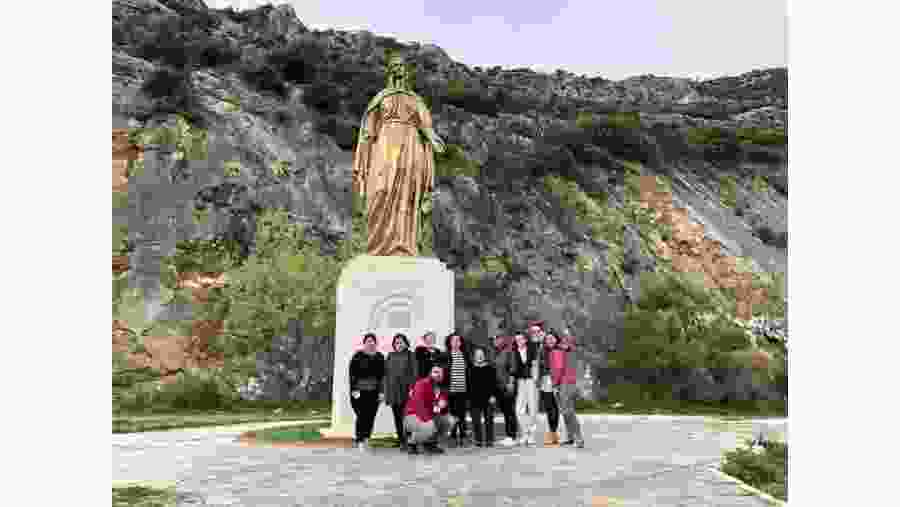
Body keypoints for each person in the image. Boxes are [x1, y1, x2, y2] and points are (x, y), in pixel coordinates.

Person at [352, 53, 446, 256]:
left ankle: (404, 246)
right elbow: (369, 129)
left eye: (401, 65)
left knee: (408, 193)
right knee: (381, 189)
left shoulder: (415, 100)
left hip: (411, 146)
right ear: (389, 71)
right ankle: (377, 246)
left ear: (406, 70)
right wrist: (365, 149)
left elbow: (425, 125)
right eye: (394, 65)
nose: (398, 68)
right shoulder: (381, 98)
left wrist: (433, 138)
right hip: (385, 144)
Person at [404, 365, 456, 455]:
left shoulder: (441, 389)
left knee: (450, 421)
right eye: (435, 372)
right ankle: (411, 443)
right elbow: (418, 404)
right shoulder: (422, 383)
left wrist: (443, 405)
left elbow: (440, 409)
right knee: (430, 426)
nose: (438, 375)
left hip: (430, 416)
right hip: (412, 416)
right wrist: (428, 420)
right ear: (430, 373)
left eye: (440, 373)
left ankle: (430, 443)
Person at [348, 333, 386, 450]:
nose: (370, 343)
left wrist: (381, 392)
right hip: (360, 391)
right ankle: (359, 439)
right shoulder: (357, 356)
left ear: (376, 343)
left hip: (374, 392)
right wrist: (354, 389)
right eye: (368, 341)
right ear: (364, 343)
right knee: (361, 415)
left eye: (372, 341)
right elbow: (352, 373)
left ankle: (366, 439)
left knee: (371, 416)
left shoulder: (380, 356)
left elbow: (383, 376)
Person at [383, 333, 417, 449]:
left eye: (401, 342)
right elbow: (386, 374)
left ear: (406, 343)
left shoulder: (410, 355)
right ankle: (401, 439)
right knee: (397, 416)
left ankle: (409, 440)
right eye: (396, 342)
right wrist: (385, 390)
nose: (399, 344)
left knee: (406, 417)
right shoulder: (390, 355)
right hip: (394, 391)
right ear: (394, 344)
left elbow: (414, 373)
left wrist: (412, 388)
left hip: (406, 391)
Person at [553, 329, 585, 448]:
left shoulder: (574, 350)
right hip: (561, 383)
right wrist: (556, 384)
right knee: (565, 411)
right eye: (565, 336)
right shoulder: (557, 350)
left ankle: (578, 438)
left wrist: (579, 382)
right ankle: (571, 437)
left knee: (568, 411)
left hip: (569, 383)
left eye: (569, 336)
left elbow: (579, 366)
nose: (567, 338)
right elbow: (557, 369)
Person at [511, 331, 540, 446]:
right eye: (517, 340)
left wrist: (536, 378)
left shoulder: (531, 349)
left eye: (521, 339)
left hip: (531, 380)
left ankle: (531, 435)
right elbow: (513, 368)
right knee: (519, 409)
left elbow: (535, 364)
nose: (519, 342)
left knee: (533, 407)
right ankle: (525, 432)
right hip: (521, 381)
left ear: (525, 340)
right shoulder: (514, 352)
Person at [468, 346, 501, 447]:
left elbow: (494, 384)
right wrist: (469, 398)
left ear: (484, 356)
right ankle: (478, 440)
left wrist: (493, 396)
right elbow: (468, 385)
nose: (480, 356)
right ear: (474, 357)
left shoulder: (490, 368)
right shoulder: (470, 369)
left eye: (481, 355)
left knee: (489, 419)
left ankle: (489, 440)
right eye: (477, 355)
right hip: (474, 398)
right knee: (476, 420)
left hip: (488, 398)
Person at [444, 331, 471, 447]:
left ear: (461, 343)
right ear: (449, 343)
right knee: (453, 414)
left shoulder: (465, 355)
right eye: (453, 340)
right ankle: (453, 436)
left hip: (463, 390)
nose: (456, 342)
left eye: (458, 340)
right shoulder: (446, 355)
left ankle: (463, 436)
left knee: (462, 414)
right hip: (451, 390)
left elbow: (469, 372)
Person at [492, 335, 518, 446]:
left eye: (499, 339)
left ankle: (512, 436)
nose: (497, 341)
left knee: (510, 411)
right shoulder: (495, 353)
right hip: (498, 387)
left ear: (503, 340)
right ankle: (508, 435)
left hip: (507, 385)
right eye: (495, 340)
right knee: (505, 411)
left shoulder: (509, 352)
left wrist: (511, 383)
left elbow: (513, 368)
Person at [539, 331, 561, 446]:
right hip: (545, 381)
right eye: (547, 339)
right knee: (549, 408)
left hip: (557, 381)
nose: (550, 341)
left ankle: (553, 433)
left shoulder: (560, 350)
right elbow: (539, 366)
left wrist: (557, 383)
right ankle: (552, 433)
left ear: (556, 339)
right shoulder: (542, 351)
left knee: (555, 408)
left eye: (552, 338)